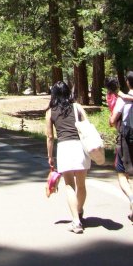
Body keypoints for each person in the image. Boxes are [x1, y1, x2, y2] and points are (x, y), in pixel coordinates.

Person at [46, 81, 90, 234]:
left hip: (64, 148)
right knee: (82, 185)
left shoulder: (50, 112)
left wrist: (50, 156)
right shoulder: (77, 107)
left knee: (69, 185)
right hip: (80, 147)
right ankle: (79, 211)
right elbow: (87, 126)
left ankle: (76, 221)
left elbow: (50, 137)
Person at [109, 71, 133, 222]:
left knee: (122, 173)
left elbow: (112, 120)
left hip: (127, 138)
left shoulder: (123, 100)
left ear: (128, 82)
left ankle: (132, 198)